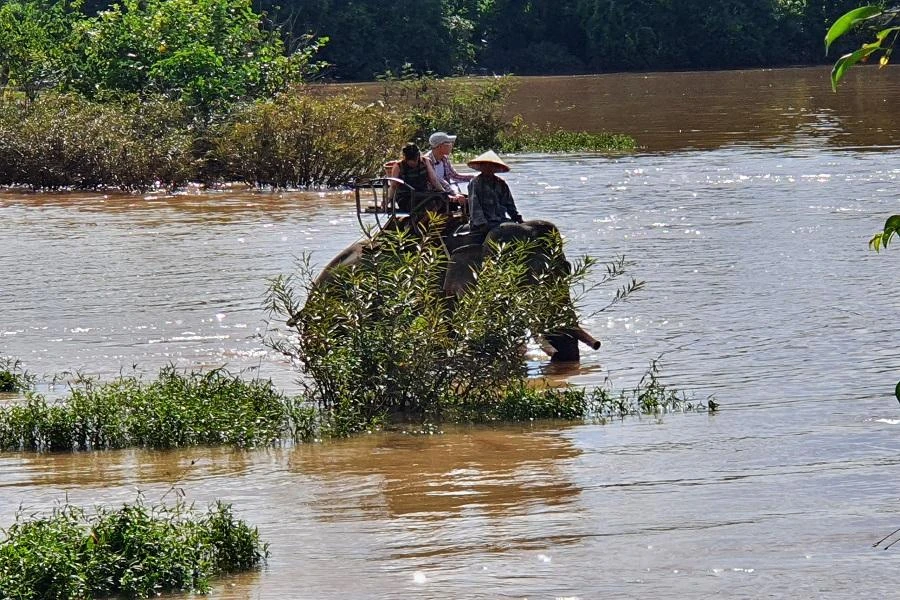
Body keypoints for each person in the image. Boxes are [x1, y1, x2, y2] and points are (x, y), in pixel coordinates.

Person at [467, 149, 523, 237]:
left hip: (500, 220)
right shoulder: (475, 183)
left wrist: (518, 219)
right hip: (483, 222)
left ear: (496, 167)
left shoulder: (501, 183)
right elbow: (475, 206)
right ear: (481, 166)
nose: (488, 168)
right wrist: (482, 224)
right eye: (485, 165)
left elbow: (510, 205)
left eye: (491, 165)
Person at [388, 142, 446, 214]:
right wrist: (388, 200)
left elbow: (433, 180)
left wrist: (443, 192)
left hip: (423, 193)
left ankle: (428, 220)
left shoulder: (425, 161)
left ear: (418, 156)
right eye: (410, 160)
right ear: (405, 157)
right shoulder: (398, 166)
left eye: (415, 160)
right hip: (406, 196)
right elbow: (393, 186)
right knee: (425, 205)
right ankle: (419, 222)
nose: (413, 163)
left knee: (440, 200)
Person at [424, 131, 471, 204]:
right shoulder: (427, 160)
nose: (451, 145)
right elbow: (437, 180)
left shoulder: (444, 158)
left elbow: (454, 175)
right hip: (435, 194)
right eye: (449, 143)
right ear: (440, 146)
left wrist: (473, 177)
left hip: (447, 191)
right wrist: (455, 193)